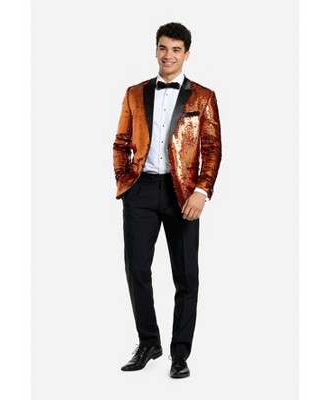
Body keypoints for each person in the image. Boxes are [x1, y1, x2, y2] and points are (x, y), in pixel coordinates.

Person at [113, 22, 222, 379]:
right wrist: (125, 183)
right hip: (140, 190)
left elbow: (212, 148)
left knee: (186, 277)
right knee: (136, 269)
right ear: (155, 50)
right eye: (163, 48)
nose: (168, 55)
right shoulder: (134, 93)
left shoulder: (203, 96)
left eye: (176, 49)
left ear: (186, 54)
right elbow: (121, 142)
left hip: (183, 194)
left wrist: (202, 191)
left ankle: (180, 353)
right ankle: (149, 343)